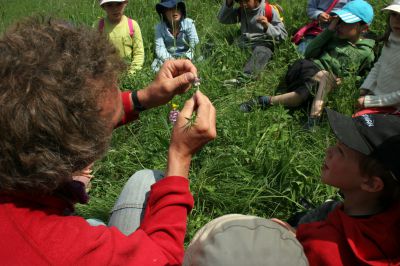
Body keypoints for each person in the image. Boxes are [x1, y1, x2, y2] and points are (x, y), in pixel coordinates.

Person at [0, 16, 216, 265]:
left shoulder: (13, 136)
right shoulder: (58, 249)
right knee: (149, 179)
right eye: (106, 123)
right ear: (73, 158)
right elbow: (163, 259)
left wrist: (143, 97)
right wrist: (180, 158)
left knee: (134, 188)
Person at [184, 109, 400, 266]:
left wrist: (291, 238)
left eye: (341, 152)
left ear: (372, 183)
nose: (329, 151)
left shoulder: (318, 246)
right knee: (327, 209)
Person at [240, 0, 375, 129]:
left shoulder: (367, 53)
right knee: (326, 76)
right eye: (338, 20)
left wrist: (346, 80)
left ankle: (264, 100)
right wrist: (328, 31)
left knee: (304, 94)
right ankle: (314, 120)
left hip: (321, 87)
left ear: (363, 28)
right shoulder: (332, 37)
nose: (339, 25)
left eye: (346, 22)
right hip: (306, 67)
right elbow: (309, 53)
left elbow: (363, 77)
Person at [217, 0, 287, 83]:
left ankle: (246, 77)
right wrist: (228, 3)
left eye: (246, 1)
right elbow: (222, 19)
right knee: (222, 50)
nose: (243, 4)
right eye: (240, 2)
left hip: (262, 43)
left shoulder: (269, 10)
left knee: (263, 52)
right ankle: (216, 73)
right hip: (244, 43)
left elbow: (283, 35)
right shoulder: (242, 10)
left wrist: (267, 26)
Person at [355, 0, 400, 117]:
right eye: (393, 14)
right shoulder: (391, 39)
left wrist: (370, 101)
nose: (397, 20)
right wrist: (365, 88)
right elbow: (379, 65)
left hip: (394, 107)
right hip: (377, 96)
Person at [97, 0, 144, 75]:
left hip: (129, 71)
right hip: (106, 73)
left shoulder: (132, 25)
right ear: (103, 7)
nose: (115, 9)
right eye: (109, 5)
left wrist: (132, 73)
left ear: (125, 3)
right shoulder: (99, 26)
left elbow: (139, 53)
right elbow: (95, 52)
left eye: (118, 4)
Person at [151, 0, 200, 72]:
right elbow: (160, 49)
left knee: (198, 64)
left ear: (181, 10)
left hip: (187, 57)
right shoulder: (159, 28)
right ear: (164, 12)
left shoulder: (189, 23)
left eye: (177, 7)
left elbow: (194, 44)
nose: (174, 11)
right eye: (170, 8)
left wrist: (185, 59)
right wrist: (172, 61)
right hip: (168, 58)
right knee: (156, 67)